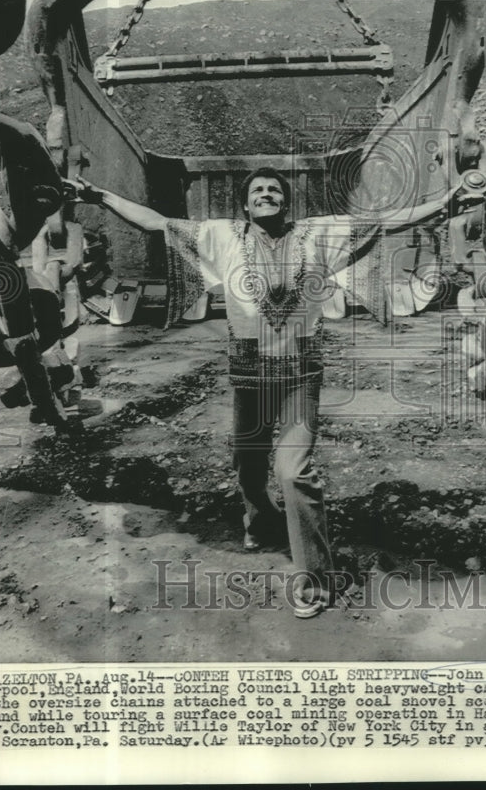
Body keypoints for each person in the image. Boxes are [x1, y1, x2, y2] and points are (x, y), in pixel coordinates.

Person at [68, 167, 458, 618]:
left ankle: (316, 580)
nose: (267, 194)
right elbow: (155, 222)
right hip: (249, 372)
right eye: (258, 190)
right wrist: (100, 195)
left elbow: (388, 220)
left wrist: (445, 204)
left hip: (300, 373)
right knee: (248, 464)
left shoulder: (316, 233)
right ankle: (262, 521)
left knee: (292, 473)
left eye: (275, 190)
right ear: (246, 203)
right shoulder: (223, 236)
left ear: (285, 202)